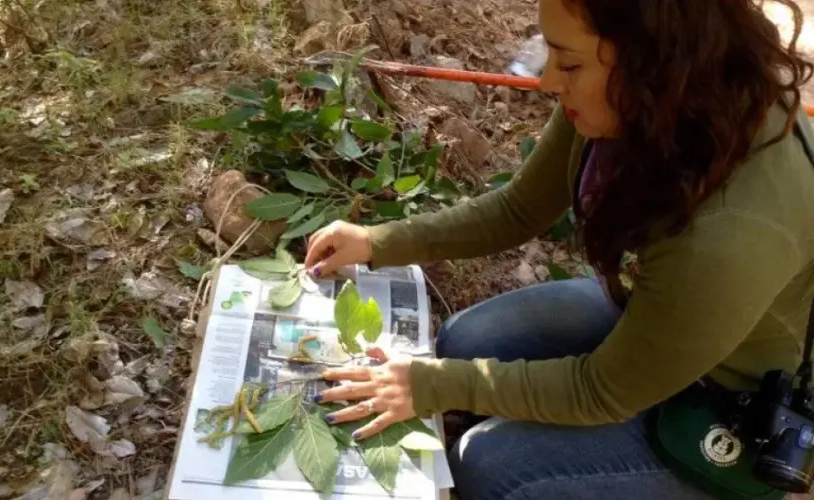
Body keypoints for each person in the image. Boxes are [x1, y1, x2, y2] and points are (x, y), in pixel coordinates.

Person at [304, 0, 814, 498]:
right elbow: (517, 210)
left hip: (725, 399)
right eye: (551, 54)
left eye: (569, 63)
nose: (548, 81)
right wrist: (378, 242)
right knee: (467, 340)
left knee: (494, 468)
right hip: (655, 317)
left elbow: (602, 391)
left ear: (656, 60)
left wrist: (433, 385)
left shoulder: (732, 231)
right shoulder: (636, 99)